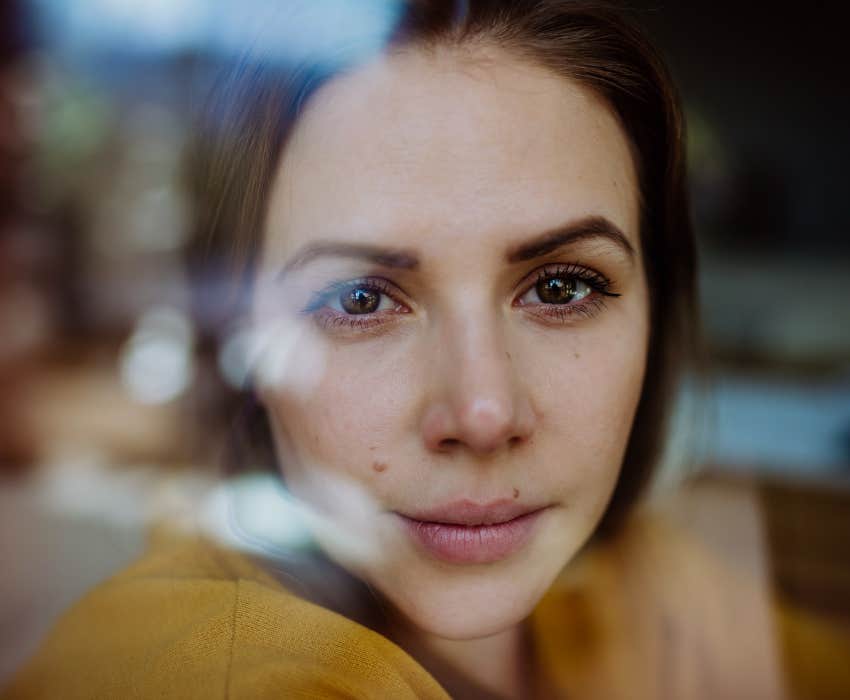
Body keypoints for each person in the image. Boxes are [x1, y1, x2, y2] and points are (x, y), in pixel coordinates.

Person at [7, 1, 843, 698]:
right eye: (360, 300)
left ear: (658, 309)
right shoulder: (207, 672)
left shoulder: (643, 589)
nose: (482, 413)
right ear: (248, 341)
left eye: (561, 287)